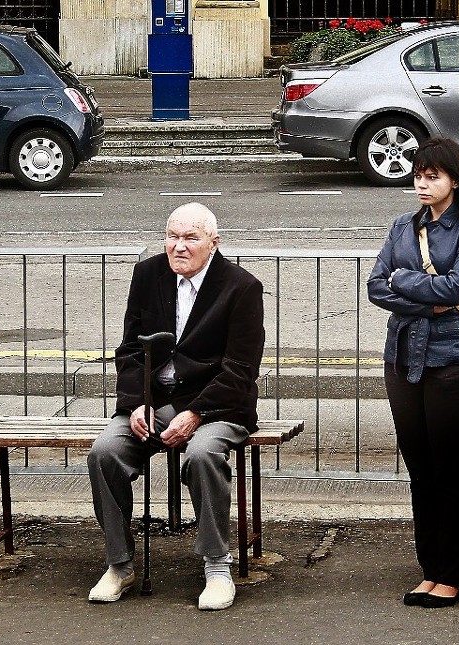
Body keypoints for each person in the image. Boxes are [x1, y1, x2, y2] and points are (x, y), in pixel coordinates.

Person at [87, 202, 265, 611]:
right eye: (172, 236)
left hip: (218, 406)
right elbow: (130, 349)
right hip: (155, 401)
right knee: (105, 452)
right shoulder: (148, 274)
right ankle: (119, 564)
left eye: (190, 238)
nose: (178, 247)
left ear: (213, 243)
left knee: (202, 454)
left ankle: (217, 566)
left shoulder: (241, 287)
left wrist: (195, 413)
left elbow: (240, 369)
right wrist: (135, 404)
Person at [367, 138, 459, 608]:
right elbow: (376, 285)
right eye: (418, 174)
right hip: (401, 359)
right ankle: (430, 569)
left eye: (432, 175)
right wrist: (425, 295)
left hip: (454, 361)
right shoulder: (404, 225)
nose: (422, 182)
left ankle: (453, 572)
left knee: (448, 468)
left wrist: (406, 283)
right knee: (419, 469)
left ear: (454, 180)